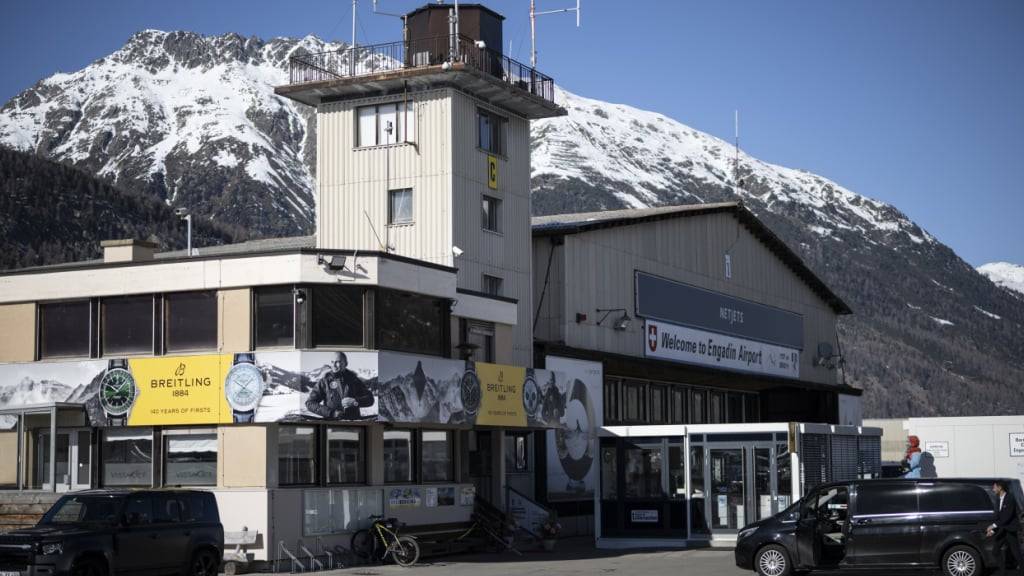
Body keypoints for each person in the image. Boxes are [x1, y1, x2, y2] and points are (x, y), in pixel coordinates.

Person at [305, 352, 374, 419]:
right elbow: (310, 403)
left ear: (346, 364)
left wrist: (355, 401)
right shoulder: (325, 381)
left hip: (352, 423)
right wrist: (331, 413)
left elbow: (370, 399)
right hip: (331, 423)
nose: (334, 365)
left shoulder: (354, 380)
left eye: (338, 362)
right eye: (332, 362)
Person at [987, 480, 1023, 576]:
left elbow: (1006, 517)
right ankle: (1003, 572)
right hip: (1002, 529)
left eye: (994, 487)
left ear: (1000, 487)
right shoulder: (997, 498)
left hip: (1010, 530)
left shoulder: (1010, 498)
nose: (993, 489)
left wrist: (993, 526)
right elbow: (997, 516)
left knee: (1016, 552)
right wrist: (992, 530)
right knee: (995, 551)